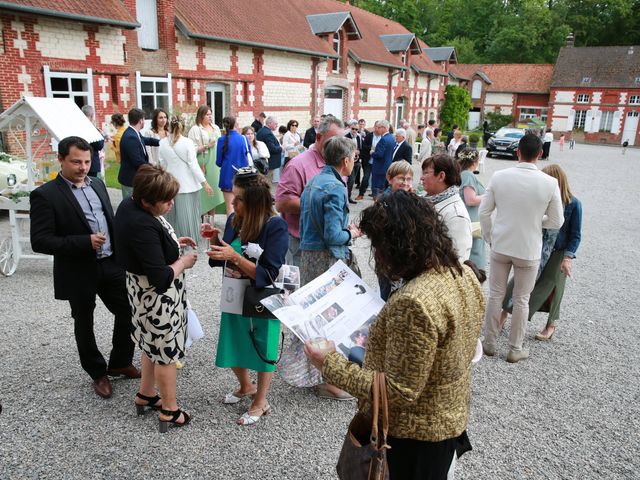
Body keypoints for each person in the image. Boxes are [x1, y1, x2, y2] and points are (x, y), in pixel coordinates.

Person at [304, 190, 485, 479]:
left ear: (396, 246)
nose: (376, 254)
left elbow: (399, 391)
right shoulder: (462, 274)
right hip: (446, 421)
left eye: (376, 245)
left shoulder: (413, 301)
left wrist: (328, 363)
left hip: (413, 439)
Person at [30, 136, 139, 399]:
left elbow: (111, 222)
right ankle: (97, 372)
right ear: (61, 160)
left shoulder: (98, 184)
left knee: (129, 311)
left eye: (87, 161)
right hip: (78, 270)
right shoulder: (45, 195)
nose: (82, 167)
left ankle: (119, 362)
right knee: (84, 322)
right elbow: (40, 241)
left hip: (110, 264)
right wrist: (83, 242)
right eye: (76, 162)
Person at [114, 164, 198, 431]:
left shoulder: (129, 206)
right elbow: (161, 278)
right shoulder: (142, 224)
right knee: (166, 354)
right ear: (146, 201)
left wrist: (171, 242)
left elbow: (149, 247)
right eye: (166, 200)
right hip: (157, 299)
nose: (172, 204)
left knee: (150, 345)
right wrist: (183, 261)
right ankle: (170, 410)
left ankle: (147, 394)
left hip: (139, 294)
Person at [206, 168, 288, 425]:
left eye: (238, 198)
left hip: (262, 298)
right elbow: (225, 253)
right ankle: (246, 386)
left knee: (264, 345)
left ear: (253, 202)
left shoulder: (275, 226)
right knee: (232, 340)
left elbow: (269, 273)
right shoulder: (235, 221)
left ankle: (261, 401)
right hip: (234, 294)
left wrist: (234, 257)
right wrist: (215, 240)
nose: (232, 202)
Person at [479, 133, 564, 363]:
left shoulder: (499, 176)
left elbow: (484, 212)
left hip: (501, 243)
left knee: (495, 294)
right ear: (540, 154)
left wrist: (489, 236)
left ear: (517, 151)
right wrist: (536, 222)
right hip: (528, 247)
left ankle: (489, 342)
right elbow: (557, 221)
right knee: (522, 299)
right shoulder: (550, 183)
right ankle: (515, 348)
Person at [500, 164, 582, 341]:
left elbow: (575, 235)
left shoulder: (574, 204)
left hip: (559, 251)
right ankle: (503, 314)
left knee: (553, 286)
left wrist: (568, 257)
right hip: (536, 247)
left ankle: (551, 324)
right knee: (518, 282)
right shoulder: (541, 199)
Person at [275, 115, 344, 267]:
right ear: (318, 137)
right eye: (333, 141)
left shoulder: (338, 162)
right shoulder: (298, 165)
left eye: (341, 141)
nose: (338, 146)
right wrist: (321, 206)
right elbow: (281, 203)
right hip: (302, 245)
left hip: (330, 244)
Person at [299, 135, 362, 285]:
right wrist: (352, 233)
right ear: (345, 161)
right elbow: (332, 236)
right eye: (354, 158)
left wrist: (343, 228)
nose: (354, 162)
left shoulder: (313, 181)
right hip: (326, 259)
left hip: (308, 256)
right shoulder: (337, 187)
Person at [159, 116, 213, 240]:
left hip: (170, 186)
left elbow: (162, 165)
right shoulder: (188, 143)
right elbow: (193, 165)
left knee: (171, 216)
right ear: (183, 128)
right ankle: (189, 240)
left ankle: (172, 240)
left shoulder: (162, 143)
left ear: (169, 127)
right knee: (189, 217)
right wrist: (205, 183)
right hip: (188, 186)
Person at [421, 154, 472, 263]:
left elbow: (457, 261)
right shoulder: (427, 201)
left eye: (426, 173)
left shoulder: (456, 215)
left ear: (441, 176)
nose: (421, 177)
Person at [378, 160, 414, 300]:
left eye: (408, 179)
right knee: (389, 294)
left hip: (403, 254)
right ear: (389, 179)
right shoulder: (386, 200)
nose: (405, 182)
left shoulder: (407, 197)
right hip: (389, 255)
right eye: (401, 178)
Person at [188, 105, 223, 215]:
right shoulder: (195, 129)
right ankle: (202, 222)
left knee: (214, 192)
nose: (210, 116)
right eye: (207, 114)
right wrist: (207, 146)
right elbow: (191, 149)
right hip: (203, 163)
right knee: (204, 193)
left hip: (215, 163)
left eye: (210, 114)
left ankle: (211, 222)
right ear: (201, 116)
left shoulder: (216, 128)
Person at [118, 107, 160, 199]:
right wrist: (154, 168)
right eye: (144, 119)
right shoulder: (130, 137)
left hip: (134, 178)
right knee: (131, 207)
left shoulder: (134, 133)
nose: (144, 121)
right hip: (130, 180)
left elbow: (145, 140)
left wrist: (161, 142)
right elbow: (137, 161)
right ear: (141, 120)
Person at [458, 148, 486, 269]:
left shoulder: (463, 174)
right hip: (471, 222)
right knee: (474, 256)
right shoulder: (468, 176)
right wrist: (489, 196)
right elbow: (471, 200)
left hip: (470, 220)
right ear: (475, 161)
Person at [216, 116, 249, 216]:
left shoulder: (221, 140)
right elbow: (249, 156)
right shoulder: (243, 138)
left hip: (227, 175)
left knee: (230, 207)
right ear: (235, 124)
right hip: (243, 176)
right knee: (244, 206)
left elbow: (218, 162)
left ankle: (231, 230)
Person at [370, 119, 395, 197]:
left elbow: (379, 155)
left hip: (380, 168)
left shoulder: (384, 139)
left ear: (384, 128)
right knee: (383, 189)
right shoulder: (391, 137)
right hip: (387, 166)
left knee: (377, 189)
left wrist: (372, 153)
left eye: (379, 127)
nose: (377, 129)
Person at [81, 105, 105, 178]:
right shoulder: (90, 128)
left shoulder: (79, 126)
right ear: (91, 115)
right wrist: (101, 135)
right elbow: (99, 145)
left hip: (81, 160)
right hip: (91, 162)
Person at [345, 120, 363, 204]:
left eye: (356, 129)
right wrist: (352, 152)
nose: (355, 131)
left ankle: (348, 196)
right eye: (353, 129)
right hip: (349, 160)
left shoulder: (359, 137)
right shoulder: (346, 136)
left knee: (353, 179)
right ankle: (347, 197)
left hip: (357, 161)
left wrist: (358, 152)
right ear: (350, 128)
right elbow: (344, 149)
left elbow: (360, 147)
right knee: (351, 180)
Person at [355, 123, 374, 200]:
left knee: (376, 178)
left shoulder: (383, 137)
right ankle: (361, 193)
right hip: (368, 160)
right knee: (366, 177)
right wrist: (371, 148)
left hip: (378, 161)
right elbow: (363, 146)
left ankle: (375, 194)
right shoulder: (369, 135)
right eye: (376, 127)